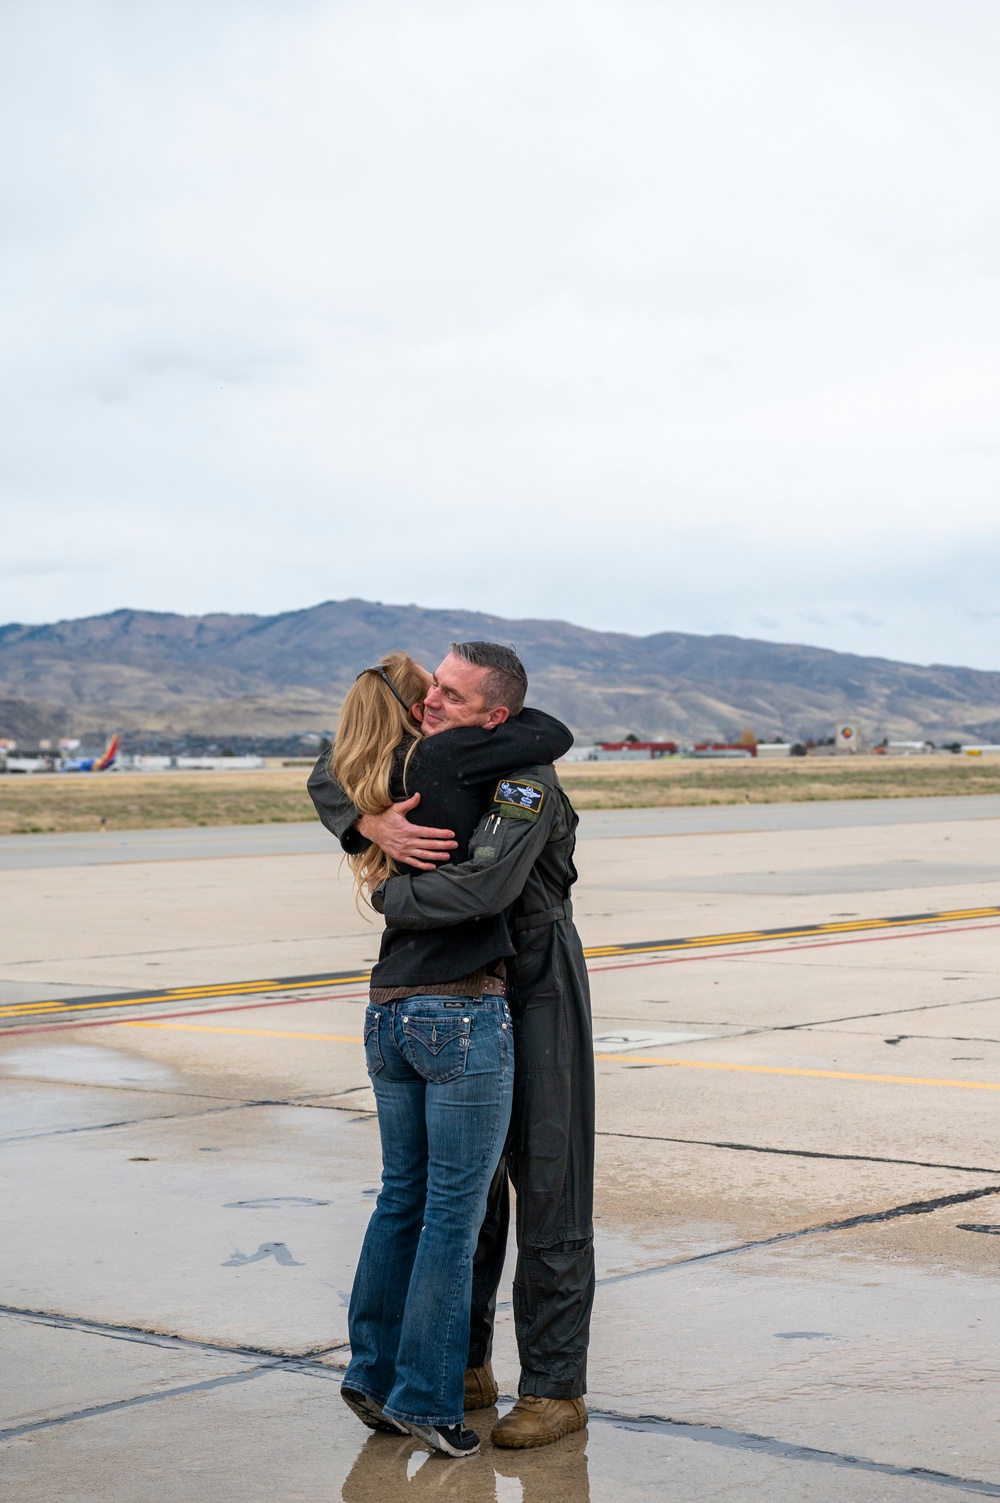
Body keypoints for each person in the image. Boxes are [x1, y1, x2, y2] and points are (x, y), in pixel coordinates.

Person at [309, 641, 595, 1452]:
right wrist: (366, 822)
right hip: (473, 984)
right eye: (432, 684)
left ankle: (554, 1386)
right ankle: (463, 1365)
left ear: (493, 716)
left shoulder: (522, 778)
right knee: (462, 1193)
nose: (428, 699)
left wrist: (390, 888)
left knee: (548, 1177)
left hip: (535, 975)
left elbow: (483, 886)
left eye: (449, 692)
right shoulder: (434, 759)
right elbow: (328, 767)